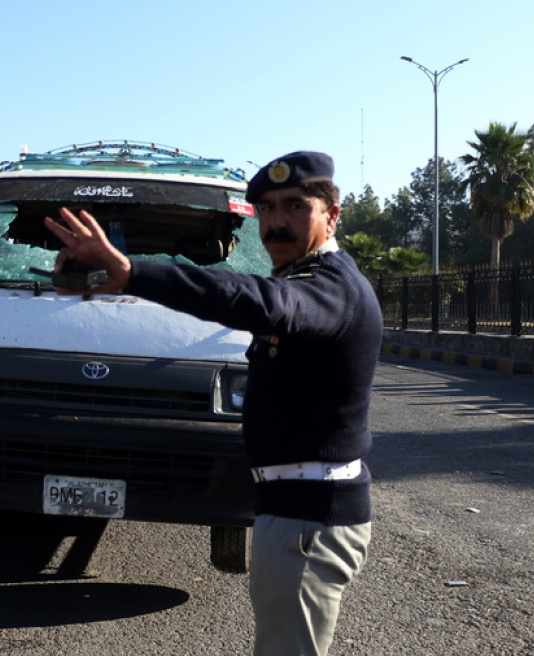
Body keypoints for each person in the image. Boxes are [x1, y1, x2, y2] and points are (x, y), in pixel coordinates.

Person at [45, 152, 381, 656]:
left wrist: (134, 273)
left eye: (294, 206)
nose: (277, 222)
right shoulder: (306, 278)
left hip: (308, 519)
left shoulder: (331, 287)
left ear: (332, 214)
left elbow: (262, 302)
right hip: (295, 510)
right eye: (266, 210)